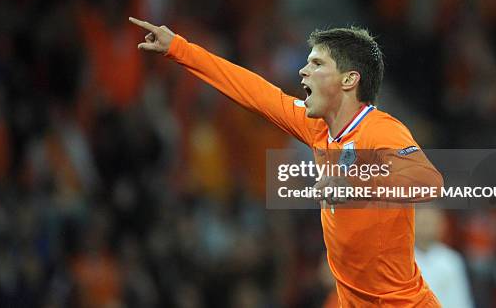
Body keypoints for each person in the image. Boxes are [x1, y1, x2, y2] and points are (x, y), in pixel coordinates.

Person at [128, 17, 444, 307]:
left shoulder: (381, 131)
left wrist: (354, 182)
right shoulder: (320, 129)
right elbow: (256, 93)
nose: (303, 71)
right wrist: (179, 49)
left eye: (317, 64)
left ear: (349, 80)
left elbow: (428, 180)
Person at [415, 209, 475, 308]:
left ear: (441, 226)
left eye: (429, 223)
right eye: (421, 222)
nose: (425, 228)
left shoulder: (451, 260)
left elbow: (460, 300)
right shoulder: (403, 261)